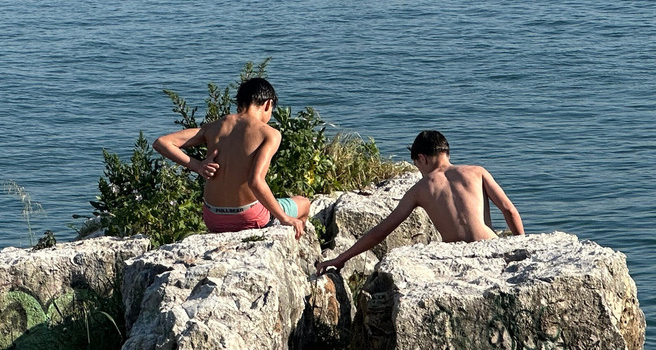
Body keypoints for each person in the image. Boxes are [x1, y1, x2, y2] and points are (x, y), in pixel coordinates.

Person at [315, 130, 524, 274]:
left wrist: (341, 258)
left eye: (417, 165)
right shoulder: (477, 172)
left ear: (422, 158)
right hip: (491, 247)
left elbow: (381, 231)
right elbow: (509, 211)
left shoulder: (420, 189)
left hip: (458, 255)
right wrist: (525, 247)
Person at [153, 76, 310, 236]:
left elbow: (162, 142)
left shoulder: (213, 127)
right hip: (249, 217)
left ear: (239, 103)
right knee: (304, 204)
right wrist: (283, 218)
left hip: (213, 218)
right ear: (267, 104)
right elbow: (255, 182)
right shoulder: (269, 134)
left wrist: (198, 166)